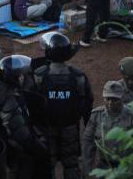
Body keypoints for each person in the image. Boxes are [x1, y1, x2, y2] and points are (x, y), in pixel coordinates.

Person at [33, 32, 93, 179]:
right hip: (70, 128)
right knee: (71, 164)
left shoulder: (39, 76)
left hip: (46, 129)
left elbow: (31, 104)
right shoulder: (78, 76)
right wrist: (87, 126)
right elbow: (87, 103)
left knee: (48, 164)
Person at [83, 79, 133, 175]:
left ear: (122, 98)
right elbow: (88, 143)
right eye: (107, 99)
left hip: (127, 168)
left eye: (115, 99)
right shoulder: (96, 115)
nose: (110, 102)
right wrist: (88, 171)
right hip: (105, 166)